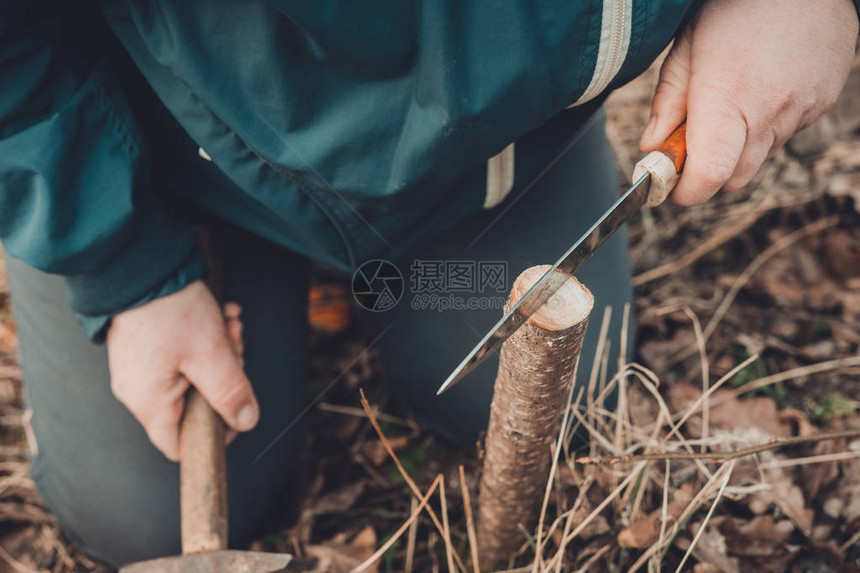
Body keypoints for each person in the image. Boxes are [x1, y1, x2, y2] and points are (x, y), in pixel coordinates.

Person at [0, 0, 856, 566]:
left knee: (563, 398)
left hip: (488, 151)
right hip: (158, 145)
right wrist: (126, 267)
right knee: (136, 516)